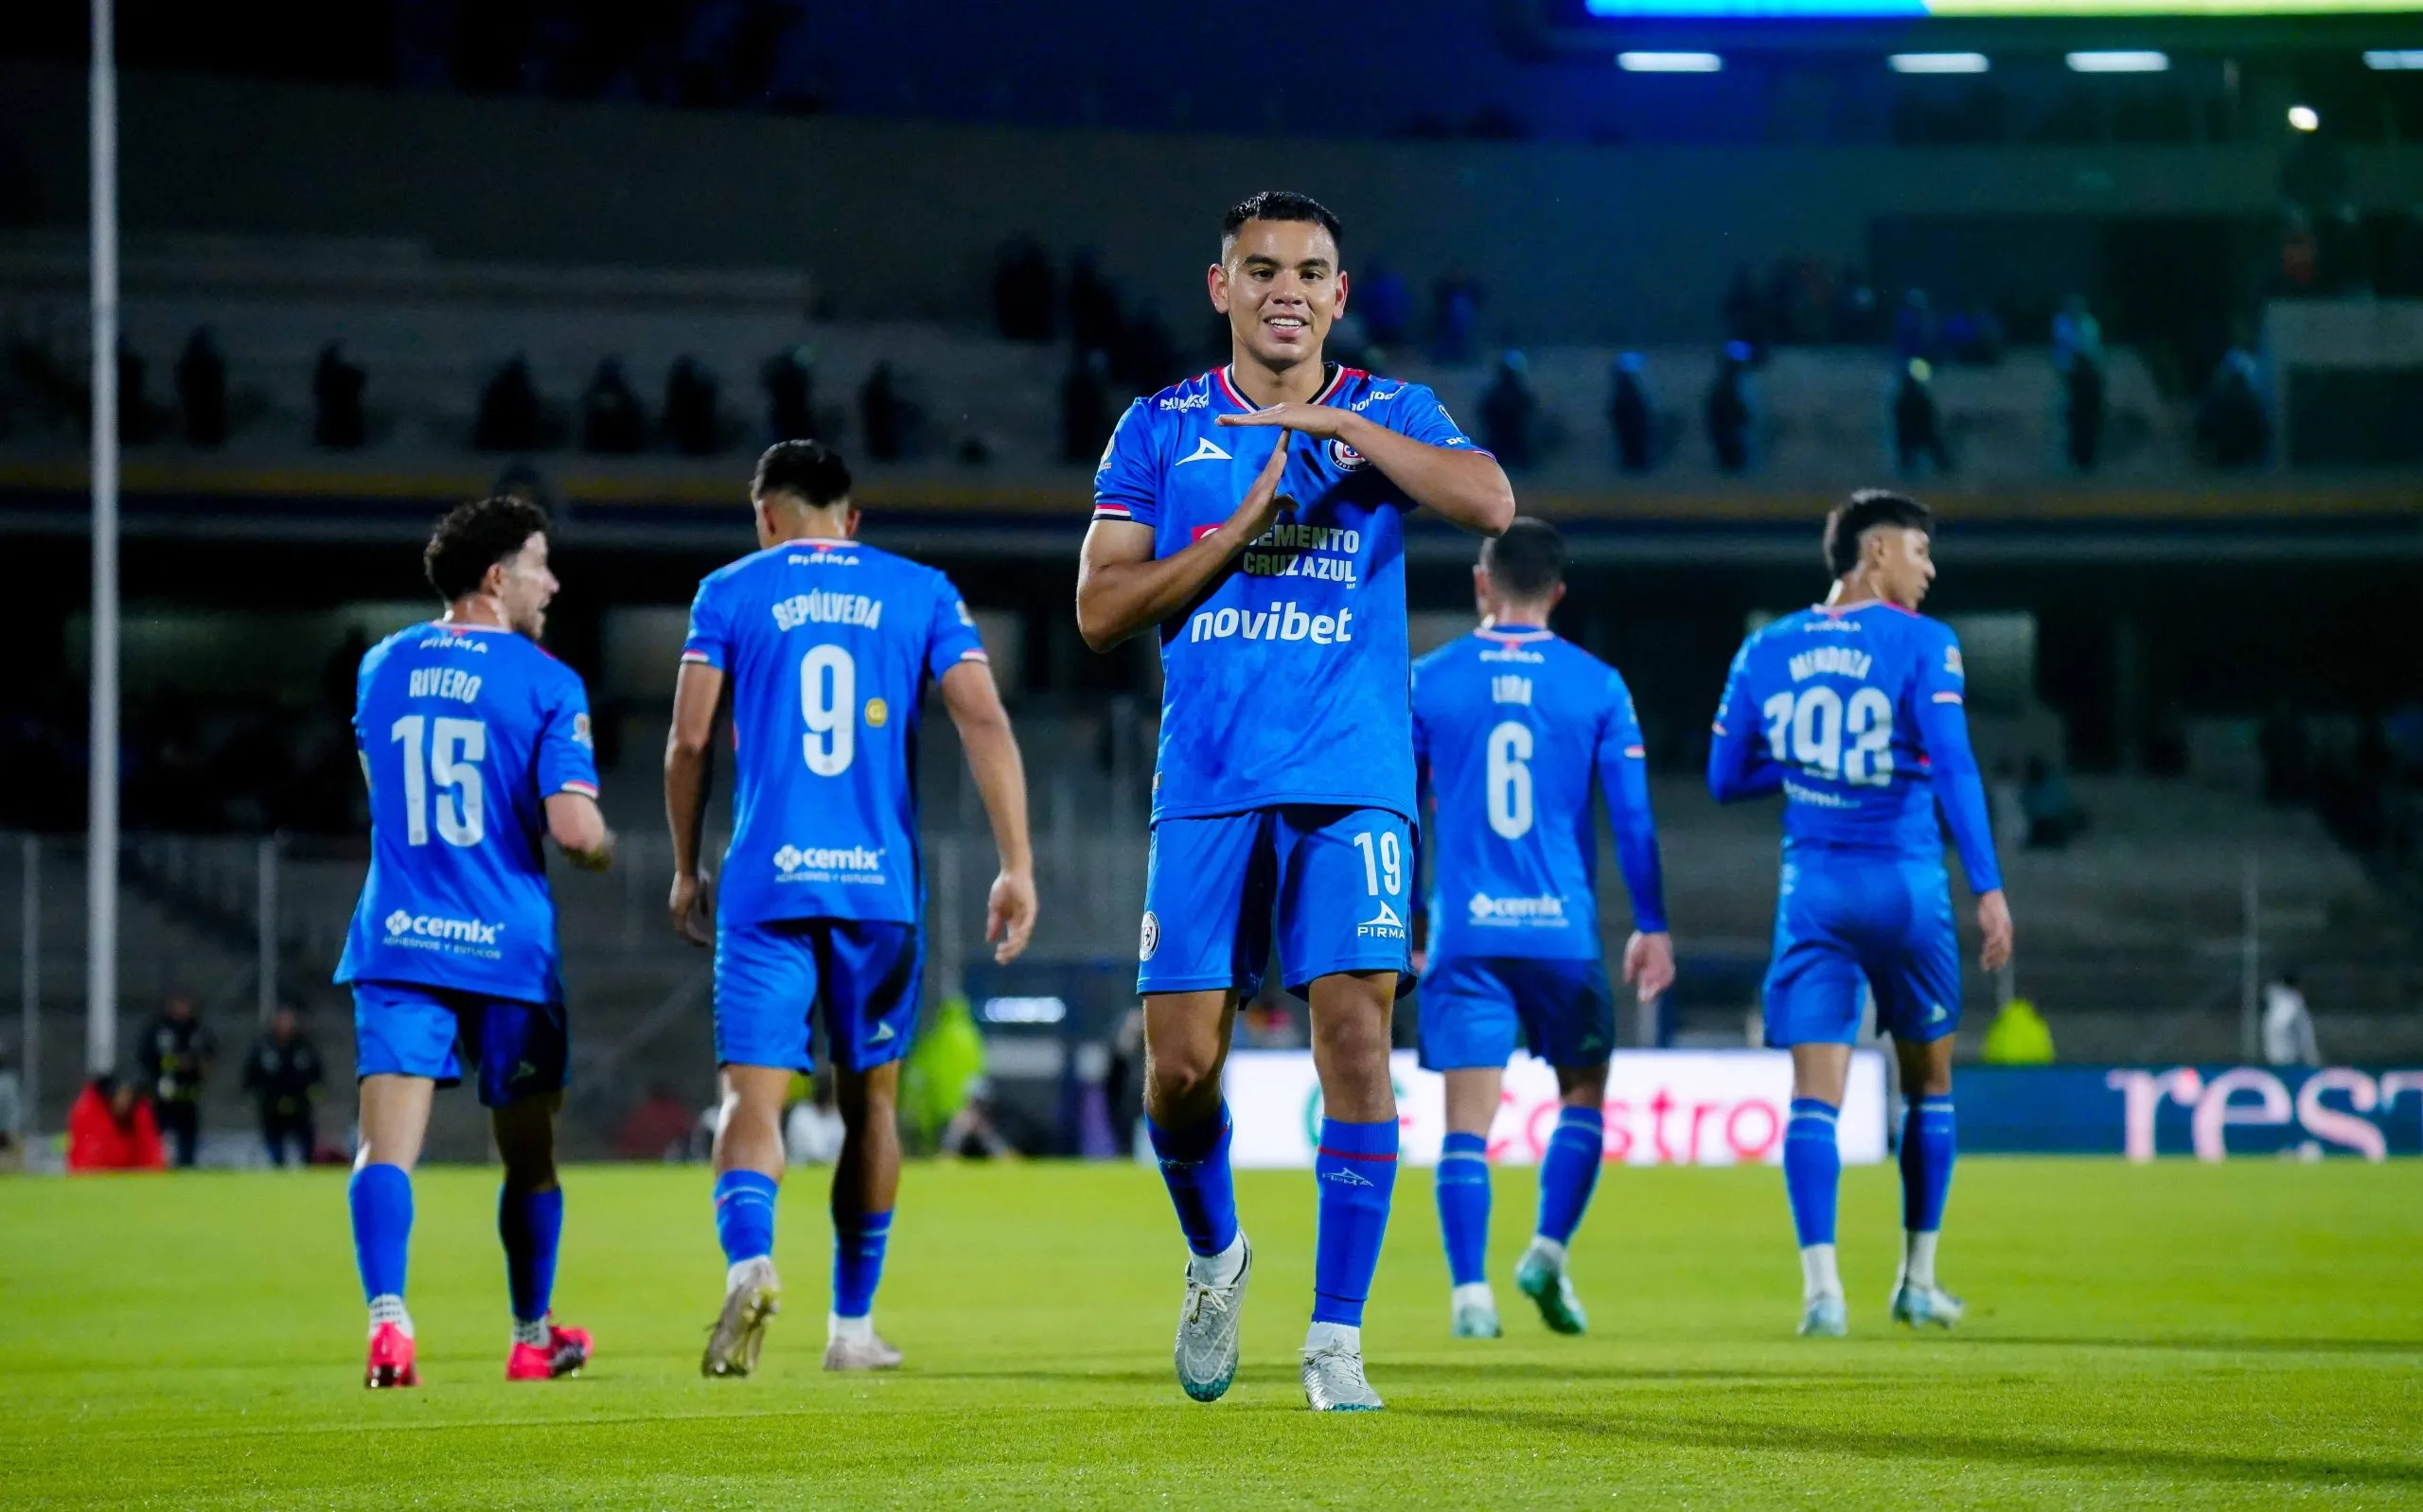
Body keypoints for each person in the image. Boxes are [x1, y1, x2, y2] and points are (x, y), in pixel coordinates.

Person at [1075, 190, 1514, 1412]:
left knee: (1359, 1042)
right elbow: (1101, 610)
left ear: (1336, 292)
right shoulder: (1157, 428)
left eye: (1310, 271)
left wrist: (1339, 431)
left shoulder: (1390, 411)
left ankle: (1335, 1337)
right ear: (1221, 287)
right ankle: (1217, 1255)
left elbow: (1491, 502)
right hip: (1210, 782)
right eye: (1260, 268)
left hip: (1354, 776)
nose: (1286, 288)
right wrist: (1238, 525)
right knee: (1178, 1068)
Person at [666, 439, 1037, 1378]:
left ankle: (750, 1259)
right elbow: (983, 717)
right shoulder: (919, 589)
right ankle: (850, 1325)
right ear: (851, 518)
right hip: (878, 891)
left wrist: (683, 864)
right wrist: (1016, 863)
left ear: (766, 517)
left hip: (766, 883)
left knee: (749, 1096)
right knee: (870, 1101)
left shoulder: (730, 590)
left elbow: (688, 739)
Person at [1707, 489, 2012, 1339]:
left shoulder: (1765, 648)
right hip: (1907, 888)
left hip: (1816, 893)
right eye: (1919, 551)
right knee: (1930, 1085)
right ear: (1876, 552)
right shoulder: (1926, 643)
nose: (1930, 568)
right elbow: (1952, 768)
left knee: (1815, 1098)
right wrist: (1987, 887)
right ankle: (1916, 1280)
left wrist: (1811, 767)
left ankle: (1822, 1293)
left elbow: (1725, 779)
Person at [335, 494, 616, 1389]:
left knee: (386, 1150)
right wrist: (605, 846)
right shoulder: (546, 681)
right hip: (508, 952)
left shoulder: (380, 664)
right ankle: (532, 1335)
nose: (554, 580)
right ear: (498, 579)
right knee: (529, 1157)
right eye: (541, 561)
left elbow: (379, 780)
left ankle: (389, 1326)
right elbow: (573, 830)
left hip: (401, 938)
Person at [1409, 519, 1675, 1342]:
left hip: (1466, 934)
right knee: (1583, 1099)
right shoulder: (1598, 686)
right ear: (1558, 593)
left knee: (1465, 1124)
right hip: (1561, 932)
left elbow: (1400, 811)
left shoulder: (1428, 680)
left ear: (1481, 584)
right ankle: (1548, 1254)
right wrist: (1653, 924)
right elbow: (1632, 822)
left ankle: (1469, 1298)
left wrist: (1410, 918)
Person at [242, 1001, 326, 1168]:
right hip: (271, 1107)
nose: (286, 1024)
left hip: (300, 1106)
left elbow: (317, 1074)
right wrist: (258, 1093)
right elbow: (250, 1074)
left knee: (306, 1148)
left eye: (289, 1020)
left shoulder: (305, 1046)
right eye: (282, 1019)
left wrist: (314, 1094)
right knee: (275, 1150)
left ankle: (306, 1177)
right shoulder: (263, 1047)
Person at [137, 991, 215, 1169]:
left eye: (186, 1005)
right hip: (163, 1097)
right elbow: (147, 1059)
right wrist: (175, 1062)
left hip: (189, 1096)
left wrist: (198, 1065)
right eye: (179, 1004)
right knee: (159, 1139)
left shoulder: (198, 1030)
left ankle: (186, 1168)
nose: (183, 1009)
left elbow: (210, 1055)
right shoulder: (158, 1030)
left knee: (188, 1141)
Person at [66, 1074, 167, 1172]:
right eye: (121, 1095)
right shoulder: (90, 1112)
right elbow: (89, 1160)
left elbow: (151, 1153)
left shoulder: (140, 1114)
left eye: (128, 1096)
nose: (124, 1101)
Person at [2262, 972, 2320, 1066]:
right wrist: (2312, 1057)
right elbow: (2305, 1032)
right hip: (2290, 1056)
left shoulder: (2274, 1001)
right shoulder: (2293, 1004)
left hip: (2273, 1054)